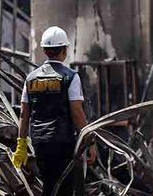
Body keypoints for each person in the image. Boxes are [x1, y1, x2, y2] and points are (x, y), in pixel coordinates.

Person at [10, 26, 94, 196]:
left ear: (45, 50)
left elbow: (23, 114)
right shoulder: (70, 77)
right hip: (63, 143)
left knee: (48, 186)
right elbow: (77, 113)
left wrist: (21, 145)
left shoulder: (31, 78)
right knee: (65, 188)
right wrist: (90, 142)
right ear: (64, 50)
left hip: (40, 142)